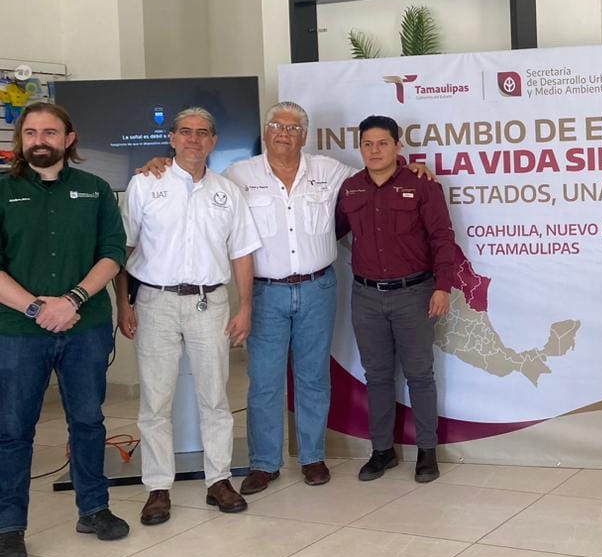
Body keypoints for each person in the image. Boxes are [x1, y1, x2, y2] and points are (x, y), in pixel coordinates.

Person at [137, 101, 434, 497]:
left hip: (317, 289)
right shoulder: (238, 175)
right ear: (266, 131)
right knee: (264, 381)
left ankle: (312, 458)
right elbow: (196, 180)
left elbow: (377, 173)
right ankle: (264, 463)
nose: (284, 133)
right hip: (265, 292)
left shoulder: (331, 172)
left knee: (313, 377)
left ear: (304, 136)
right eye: (277, 126)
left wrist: (414, 169)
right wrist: (160, 163)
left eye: (293, 128)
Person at [115, 107, 261, 525]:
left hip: (209, 302)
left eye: (202, 133)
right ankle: (158, 487)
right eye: (185, 132)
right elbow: (124, 249)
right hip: (155, 302)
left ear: (213, 141)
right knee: (156, 400)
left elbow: (242, 253)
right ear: (173, 139)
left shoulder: (227, 191)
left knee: (215, 397)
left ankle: (219, 480)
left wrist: (245, 306)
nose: (193, 139)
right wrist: (123, 304)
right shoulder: (145, 183)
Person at [0, 102, 129, 557]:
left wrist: (72, 300)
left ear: (68, 139)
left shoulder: (95, 190)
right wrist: (37, 308)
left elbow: (113, 253)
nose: (40, 140)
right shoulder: (2, 191)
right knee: (13, 429)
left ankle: (94, 509)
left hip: (84, 327)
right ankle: (8, 528)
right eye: (31, 132)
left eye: (50, 132)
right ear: (21, 139)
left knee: (88, 421)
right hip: (18, 330)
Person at [336, 115, 457, 483]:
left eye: (382, 143)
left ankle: (427, 452)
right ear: (360, 148)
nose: (374, 151)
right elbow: (329, 232)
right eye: (367, 144)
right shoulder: (351, 188)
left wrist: (443, 286)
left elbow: (442, 238)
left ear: (397, 147)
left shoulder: (422, 186)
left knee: (420, 375)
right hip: (366, 296)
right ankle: (382, 451)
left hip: (414, 295)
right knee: (377, 377)